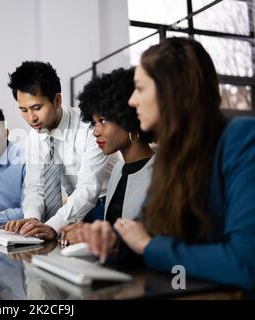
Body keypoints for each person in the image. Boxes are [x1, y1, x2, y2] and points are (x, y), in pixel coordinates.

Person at [78, 37, 255, 291]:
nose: (131, 101)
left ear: (170, 90)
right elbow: (142, 228)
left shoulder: (241, 138)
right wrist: (112, 241)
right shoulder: (171, 158)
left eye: (140, 88)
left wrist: (149, 246)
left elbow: (245, 262)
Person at [3, 61, 119, 240]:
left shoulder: (89, 127)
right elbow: (35, 187)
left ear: (57, 100)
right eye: (23, 110)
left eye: (36, 108)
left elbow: (88, 189)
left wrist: (52, 226)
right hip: (73, 209)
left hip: (106, 206)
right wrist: (31, 221)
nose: (31, 118)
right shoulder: (35, 137)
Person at [61, 67, 155, 245]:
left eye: (103, 121)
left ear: (127, 118)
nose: (95, 132)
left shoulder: (159, 171)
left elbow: (150, 235)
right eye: (94, 123)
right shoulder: (118, 170)